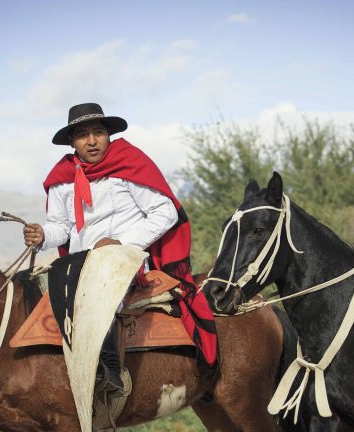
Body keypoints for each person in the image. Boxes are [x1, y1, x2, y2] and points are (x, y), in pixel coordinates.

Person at [24, 103, 218, 394]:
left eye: (98, 132)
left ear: (108, 135)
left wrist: (121, 243)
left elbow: (165, 212)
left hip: (124, 259)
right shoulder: (61, 178)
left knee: (97, 289)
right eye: (82, 135)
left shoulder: (130, 164)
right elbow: (61, 227)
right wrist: (42, 235)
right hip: (79, 263)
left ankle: (110, 370)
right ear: (72, 142)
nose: (91, 141)